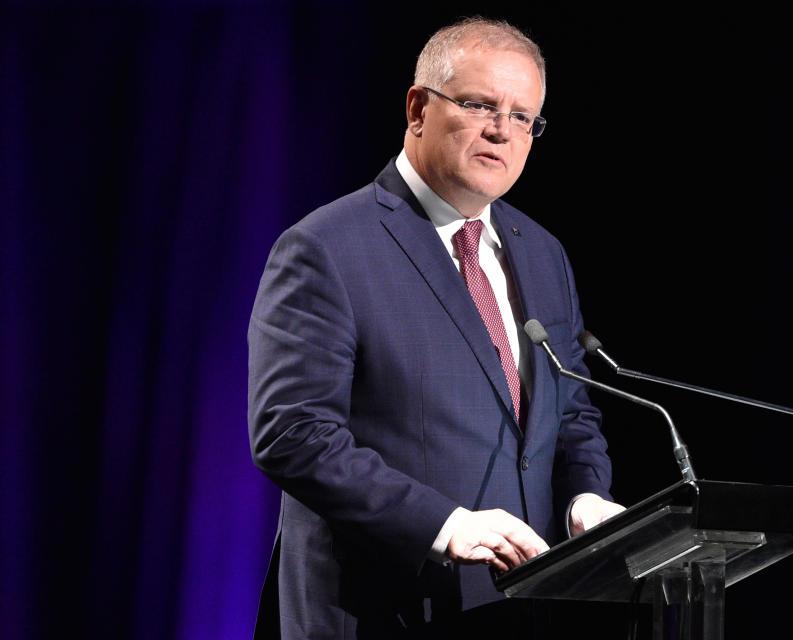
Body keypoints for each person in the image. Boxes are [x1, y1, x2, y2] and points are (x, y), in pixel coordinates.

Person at [248, 17, 624, 639]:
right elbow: (294, 432)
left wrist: (584, 499)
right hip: (379, 610)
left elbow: (572, 413)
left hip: (520, 610)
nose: (503, 130)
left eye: (524, 116)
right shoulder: (327, 247)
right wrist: (444, 524)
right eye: (480, 104)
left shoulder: (541, 252)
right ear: (418, 109)